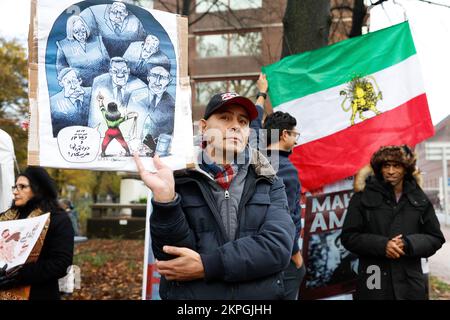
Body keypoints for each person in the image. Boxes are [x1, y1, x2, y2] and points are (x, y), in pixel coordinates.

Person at [134, 92, 295, 299]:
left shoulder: (269, 179)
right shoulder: (178, 177)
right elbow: (172, 257)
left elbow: (278, 247)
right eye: (225, 117)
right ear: (203, 127)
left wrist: (207, 265)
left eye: (243, 121)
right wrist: (166, 200)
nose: (235, 126)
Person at [341, 145, 445, 300]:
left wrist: (408, 243)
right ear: (379, 169)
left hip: (410, 283)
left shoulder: (419, 198)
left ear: (406, 169)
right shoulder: (362, 197)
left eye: (396, 166)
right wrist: (383, 245)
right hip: (373, 280)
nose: (391, 171)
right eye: (386, 166)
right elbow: (349, 237)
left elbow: (435, 238)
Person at [0, 166, 74, 300]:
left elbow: (61, 263)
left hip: (39, 294)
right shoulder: (4, 218)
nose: (16, 192)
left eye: (22, 187)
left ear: (38, 189)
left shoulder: (58, 219)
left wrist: (18, 275)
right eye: (15, 187)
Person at [128, 61, 175, 156]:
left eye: (163, 78)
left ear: (169, 80)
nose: (157, 81)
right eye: (154, 75)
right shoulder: (135, 96)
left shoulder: (172, 104)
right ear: (148, 77)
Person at [88, 57, 146, 133]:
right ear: (110, 72)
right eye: (115, 71)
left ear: (128, 71)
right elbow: (94, 118)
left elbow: (141, 117)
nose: (120, 74)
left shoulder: (140, 86)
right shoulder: (99, 83)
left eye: (124, 71)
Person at [56, 15, 110, 87]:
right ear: (71, 32)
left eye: (83, 30)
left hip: (102, 83)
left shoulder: (97, 40)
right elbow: (61, 69)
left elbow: (108, 62)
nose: (81, 35)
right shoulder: (64, 46)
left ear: (86, 28)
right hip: (79, 86)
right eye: (76, 32)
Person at [80, 1, 146, 58]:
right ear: (109, 12)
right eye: (115, 12)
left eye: (121, 13)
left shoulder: (135, 23)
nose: (118, 16)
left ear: (126, 14)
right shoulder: (97, 19)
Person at [50, 68, 91, 137]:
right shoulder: (53, 102)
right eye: (68, 82)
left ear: (80, 81)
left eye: (74, 81)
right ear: (61, 84)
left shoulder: (93, 92)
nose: (73, 86)